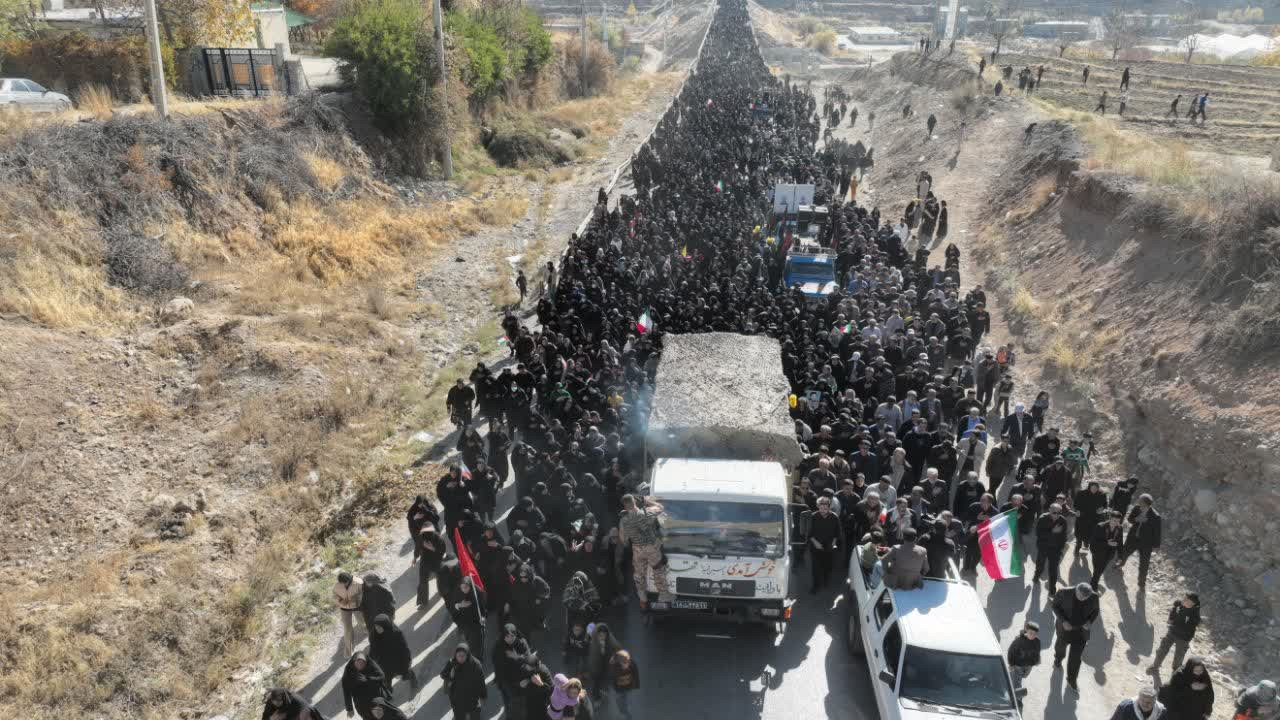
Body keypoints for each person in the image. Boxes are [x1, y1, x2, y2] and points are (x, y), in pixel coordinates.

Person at [618, 494, 672, 608]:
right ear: (634, 502)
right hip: (651, 547)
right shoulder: (646, 512)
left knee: (639, 575)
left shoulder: (623, 520)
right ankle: (664, 595)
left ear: (625, 506)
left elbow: (623, 540)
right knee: (658, 570)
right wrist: (647, 501)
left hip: (637, 549)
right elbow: (660, 507)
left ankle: (643, 599)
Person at [1051, 582, 1100, 692]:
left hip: (1081, 632)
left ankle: (1071, 680)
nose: (1081, 599)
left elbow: (1096, 611)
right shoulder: (1063, 592)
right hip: (1065, 629)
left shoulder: (1094, 597)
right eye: (1080, 596)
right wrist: (1063, 621)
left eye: (1084, 598)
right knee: (1060, 647)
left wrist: (1090, 622)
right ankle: (1058, 659)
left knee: (1076, 658)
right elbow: (1055, 606)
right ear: (1076, 589)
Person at [1117, 493, 1162, 588]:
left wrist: (1156, 546)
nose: (1138, 501)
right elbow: (1130, 519)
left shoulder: (1155, 516)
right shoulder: (1136, 508)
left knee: (1144, 564)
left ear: (1145, 503)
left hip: (1146, 543)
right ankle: (1121, 564)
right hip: (1133, 538)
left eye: (1140, 500)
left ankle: (1141, 583)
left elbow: (1157, 532)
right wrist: (1137, 519)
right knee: (1125, 552)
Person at [1149, 592, 1201, 673]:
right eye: (1184, 598)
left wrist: (1181, 625)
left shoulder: (1194, 614)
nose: (1183, 600)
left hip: (1183, 638)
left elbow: (1191, 626)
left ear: (1191, 603)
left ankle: (1176, 673)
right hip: (1172, 632)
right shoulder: (1179, 605)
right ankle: (1155, 666)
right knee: (1162, 650)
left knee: (1179, 657)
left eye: (1186, 599)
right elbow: (1173, 612)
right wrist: (1171, 618)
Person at [369, 614, 417, 691]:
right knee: (386, 682)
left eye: (379, 627)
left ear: (385, 626)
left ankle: (412, 677)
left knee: (405, 675)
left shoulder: (396, 633)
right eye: (376, 626)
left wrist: (408, 661)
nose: (377, 629)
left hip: (397, 661)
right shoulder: (374, 635)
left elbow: (404, 649)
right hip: (384, 664)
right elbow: (372, 649)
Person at [439, 644, 486, 720]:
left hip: (472, 699)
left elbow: (481, 681)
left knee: (475, 717)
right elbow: (442, 675)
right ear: (455, 655)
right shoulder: (452, 663)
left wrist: (483, 696)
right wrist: (450, 675)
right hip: (457, 700)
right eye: (459, 656)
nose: (461, 658)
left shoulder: (475, 664)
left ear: (467, 655)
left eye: (463, 656)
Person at [809, 496, 843, 592]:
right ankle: (816, 585)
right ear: (818, 506)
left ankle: (826, 581)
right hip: (816, 546)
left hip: (829, 546)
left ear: (829, 506)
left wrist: (833, 543)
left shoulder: (834, 517)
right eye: (821, 505)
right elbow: (809, 533)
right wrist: (815, 542)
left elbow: (837, 532)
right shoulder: (813, 517)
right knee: (816, 567)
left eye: (826, 505)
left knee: (827, 566)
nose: (824, 507)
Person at [342, 651, 389, 720]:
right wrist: (349, 709)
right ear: (354, 662)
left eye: (362, 663)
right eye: (358, 664)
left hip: (376, 697)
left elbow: (381, 676)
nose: (360, 666)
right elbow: (346, 691)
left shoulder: (370, 664)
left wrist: (368, 679)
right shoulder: (349, 672)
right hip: (362, 703)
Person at [1033, 503, 1068, 594]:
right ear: (1049, 510)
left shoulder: (1063, 520)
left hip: (1055, 549)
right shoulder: (1042, 518)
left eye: (1058, 513)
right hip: (1043, 547)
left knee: (1053, 569)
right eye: (1054, 512)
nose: (1056, 515)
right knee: (1040, 564)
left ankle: (1052, 588)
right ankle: (1037, 575)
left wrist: (1061, 548)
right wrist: (1052, 531)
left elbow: (1064, 536)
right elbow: (1038, 534)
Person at [1090, 510, 1124, 590]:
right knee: (1097, 569)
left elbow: (1120, 542)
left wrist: (1120, 556)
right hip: (1097, 552)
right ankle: (1094, 584)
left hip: (1109, 554)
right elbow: (1093, 542)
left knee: (1100, 570)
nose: (1116, 523)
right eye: (1114, 521)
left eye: (1118, 521)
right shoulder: (1100, 526)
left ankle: (1094, 583)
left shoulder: (1120, 528)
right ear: (1110, 518)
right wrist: (1107, 543)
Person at [334, 570, 365, 657]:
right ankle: (348, 650)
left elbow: (364, 594)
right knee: (347, 629)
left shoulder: (359, 583)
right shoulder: (337, 585)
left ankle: (366, 630)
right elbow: (334, 596)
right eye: (341, 583)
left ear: (349, 580)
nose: (343, 585)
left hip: (357, 607)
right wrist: (340, 601)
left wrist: (356, 599)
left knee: (361, 621)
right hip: (344, 609)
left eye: (345, 583)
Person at [605, 650, 640, 719]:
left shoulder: (632, 664)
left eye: (627, 663)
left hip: (628, 686)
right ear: (620, 662)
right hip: (618, 688)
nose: (626, 665)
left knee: (627, 701)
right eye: (624, 663)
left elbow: (636, 674)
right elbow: (610, 677)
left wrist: (636, 685)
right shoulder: (614, 667)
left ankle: (628, 715)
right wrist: (610, 686)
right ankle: (623, 711)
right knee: (619, 702)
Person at [1006, 621, 1041, 689]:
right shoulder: (1019, 640)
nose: (1032, 635)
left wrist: (1037, 660)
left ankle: (1013, 676)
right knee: (1017, 682)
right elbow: (1011, 652)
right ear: (1026, 630)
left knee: (1024, 676)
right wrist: (1011, 664)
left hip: (1029, 665)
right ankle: (1017, 693)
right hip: (1018, 665)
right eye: (1030, 633)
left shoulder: (1037, 641)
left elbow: (1037, 651)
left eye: (1035, 634)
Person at [261, 688, 325, 720]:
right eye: (274, 701)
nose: (276, 703)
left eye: (279, 701)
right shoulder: (271, 702)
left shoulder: (296, 702)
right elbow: (266, 715)